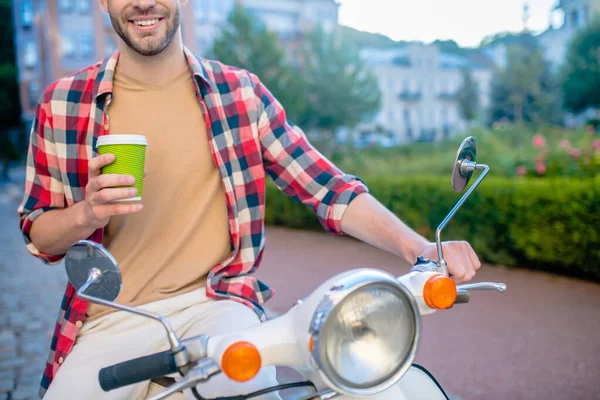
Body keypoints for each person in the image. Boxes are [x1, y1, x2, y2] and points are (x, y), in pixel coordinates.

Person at [17, 0, 481, 398]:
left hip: (217, 305)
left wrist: (418, 247)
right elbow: (38, 232)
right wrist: (86, 213)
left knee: (244, 386)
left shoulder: (239, 93)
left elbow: (328, 187)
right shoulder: (63, 103)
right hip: (112, 316)